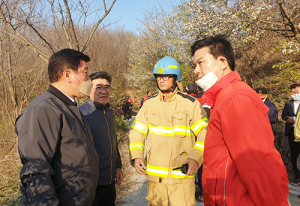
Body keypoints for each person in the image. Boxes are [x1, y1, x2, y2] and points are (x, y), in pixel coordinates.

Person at [191, 35, 289, 205]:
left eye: (200, 63)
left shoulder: (235, 98)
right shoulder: (223, 97)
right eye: (194, 65)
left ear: (222, 62)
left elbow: (259, 164)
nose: (196, 71)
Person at [15, 49, 99, 205]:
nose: (89, 78)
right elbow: (36, 171)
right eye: (85, 72)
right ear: (67, 75)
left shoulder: (71, 108)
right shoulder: (42, 109)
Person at [129, 56, 208, 206]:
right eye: (158, 76)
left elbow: (205, 133)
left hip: (182, 176)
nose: (161, 80)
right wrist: (137, 156)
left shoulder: (190, 104)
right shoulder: (148, 104)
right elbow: (137, 132)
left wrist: (195, 158)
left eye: (166, 76)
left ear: (176, 78)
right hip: (155, 179)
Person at [79, 71, 123, 206]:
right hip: (91, 183)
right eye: (98, 87)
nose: (103, 91)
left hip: (109, 180)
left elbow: (113, 142)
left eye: (107, 87)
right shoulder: (81, 114)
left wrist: (118, 166)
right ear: (89, 89)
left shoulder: (109, 112)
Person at [282, 84, 300, 185]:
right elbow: (283, 115)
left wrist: (294, 119)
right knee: (294, 154)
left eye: (297, 92)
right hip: (292, 132)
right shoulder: (288, 103)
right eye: (293, 92)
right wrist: (287, 119)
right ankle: (297, 176)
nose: (295, 94)